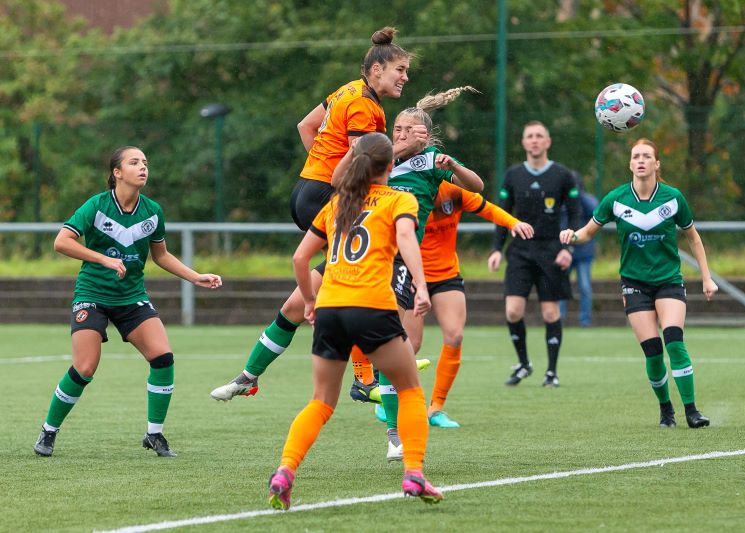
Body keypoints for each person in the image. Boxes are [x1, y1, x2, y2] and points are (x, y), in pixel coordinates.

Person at [210, 26, 413, 401]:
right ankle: (366, 379)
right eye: (399, 69)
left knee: (317, 293)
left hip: (307, 190)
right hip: (325, 196)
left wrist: (323, 170)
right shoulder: (365, 106)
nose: (405, 77)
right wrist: (404, 148)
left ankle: (248, 375)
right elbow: (365, 160)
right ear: (377, 69)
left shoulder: (346, 90)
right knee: (366, 277)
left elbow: (306, 126)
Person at [267, 132, 442, 510]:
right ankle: (414, 473)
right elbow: (408, 241)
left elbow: (300, 260)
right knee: (410, 389)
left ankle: (285, 471)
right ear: (390, 167)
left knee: (321, 402)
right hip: (373, 306)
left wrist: (311, 302)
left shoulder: (337, 203)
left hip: (331, 307)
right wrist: (422, 287)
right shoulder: (399, 199)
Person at [33, 146, 222, 457]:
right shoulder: (96, 205)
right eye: (134, 162)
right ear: (117, 173)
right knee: (85, 368)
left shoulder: (153, 211)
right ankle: (49, 431)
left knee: (163, 358)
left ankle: (154, 435)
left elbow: (160, 255)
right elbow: (61, 242)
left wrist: (195, 276)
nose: (143, 167)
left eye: (145, 162)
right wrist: (103, 260)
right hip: (92, 295)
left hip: (132, 297)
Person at [346, 87, 485, 459]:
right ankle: (364, 380)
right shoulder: (380, 158)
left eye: (409, 129)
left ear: (424, 135)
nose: (400, 133)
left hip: (401, 262)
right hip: (365, 253)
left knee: (397, 342)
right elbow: (347, 176)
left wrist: (452, 166)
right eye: (398, 127)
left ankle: (393, 429)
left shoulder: (431, 163)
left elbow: (477, 188)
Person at [559, 138, 717, 429]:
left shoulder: (673, 198)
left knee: (674, 341)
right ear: (630, 164)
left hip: (669, 280)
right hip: (635, 284)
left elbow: (693, 237)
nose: (641, 160)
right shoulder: (616, 199)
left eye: (647, 156)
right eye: (636, 156)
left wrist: (706, 277)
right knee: (654, 351)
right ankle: (665, 408)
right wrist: (572, 236)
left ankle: (692, 411)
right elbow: (588, 232)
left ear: (657, 164)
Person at [400, 180, 534, 429]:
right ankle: (387, 396)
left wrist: (513, 223)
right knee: (410, 343)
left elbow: (488, 208)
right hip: (409, 275)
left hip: (446, 275)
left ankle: (436, 408)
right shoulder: (403, 189)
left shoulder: (452, 190)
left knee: (455, 335)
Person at [488, 121, 581, 388]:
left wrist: (568, 248)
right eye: (530, 136)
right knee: (513, 311)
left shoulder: (563, 175)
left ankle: (551, 372)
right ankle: (524, 364)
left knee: (551, 313)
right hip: (519, 252)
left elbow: (575, 214)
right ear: (523, 142)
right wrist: (497, 249)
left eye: (540, 136)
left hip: (551, 251)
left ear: (548, 142)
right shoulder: (513, 175)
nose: (535, 140)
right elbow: (502, 215)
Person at [559, 176, 599, 327]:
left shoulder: (586, 200)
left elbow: (597, 211)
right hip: (565, 252)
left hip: (584, 253)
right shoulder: (561, 201)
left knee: (584, 287)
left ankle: (585, 321)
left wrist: (579, 197)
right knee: (562, 287)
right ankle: (559, 319)